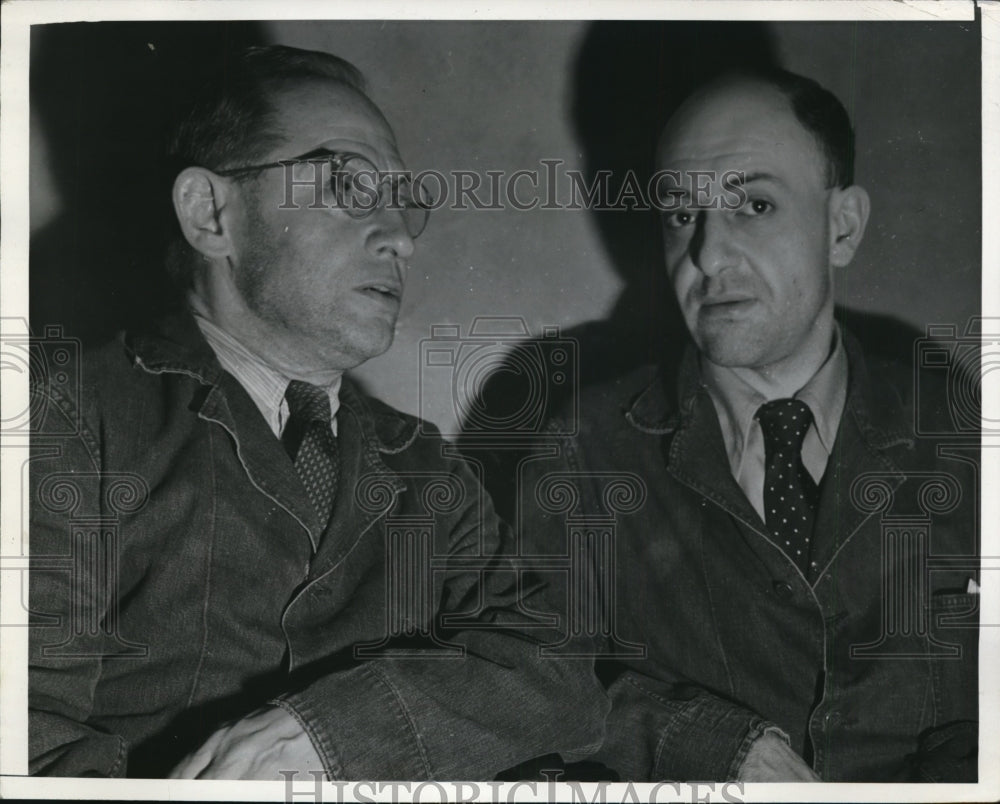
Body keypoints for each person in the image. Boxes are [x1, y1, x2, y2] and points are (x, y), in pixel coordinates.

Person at [28, 44, 607, 780]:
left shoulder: (425, 465)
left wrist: (333, 737)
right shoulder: (65, 418)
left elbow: (557, 675)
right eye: (350, 185)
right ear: (211, 214)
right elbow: (23, 733)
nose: (400, 235)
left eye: (402, 201)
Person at [519, 67, 979, 782]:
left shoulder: (963, 435)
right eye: (679, 214)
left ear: (843, 227)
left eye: (754, 206)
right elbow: (520, 692)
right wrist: (706, 745)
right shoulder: (583, 450)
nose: (706, 254)